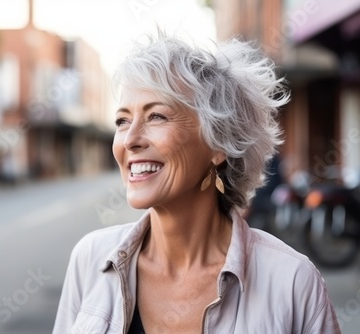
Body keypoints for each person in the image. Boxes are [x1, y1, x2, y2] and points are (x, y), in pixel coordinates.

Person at [53, 32, 340, 333]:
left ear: (219, 144)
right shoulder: (91, 260)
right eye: (122, 121)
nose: (130, 140)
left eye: (156, 117)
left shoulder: (293, 281)